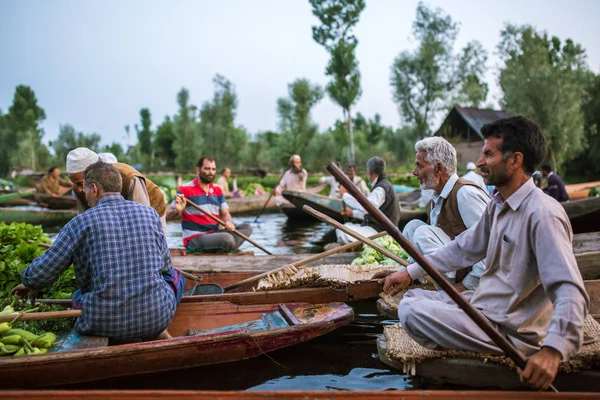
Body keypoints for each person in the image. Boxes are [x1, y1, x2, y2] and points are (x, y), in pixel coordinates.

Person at [379, 116, 588, 390]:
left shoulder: (542, 214)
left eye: (488, 154)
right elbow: (463, 248)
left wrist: (553, 350)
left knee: (409, 310)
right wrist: (409, 272)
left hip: (513, 331)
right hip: (486, 310)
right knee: (415, 297)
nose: (479, 163)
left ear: (515, 160)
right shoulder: (498, 206)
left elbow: (570, 290)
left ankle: (510, 344)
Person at [12, 162, 184, 341]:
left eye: (84, 189)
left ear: (94, 189)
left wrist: (28, 282)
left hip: (101, 322)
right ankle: (157, 331)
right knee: (177, 278)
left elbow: (43, 272)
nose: (84, 196)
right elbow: (166, 266)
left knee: (78, 295)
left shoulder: (79, 223)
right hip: (157, 317)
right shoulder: (150, 214)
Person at [401, 138, 490, 291]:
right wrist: (405, 272)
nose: (414, 172)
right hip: (455, 266)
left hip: (474, 281)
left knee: (422, 233)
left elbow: (489, 250)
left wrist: (464, 287)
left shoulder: (465, 194)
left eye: (420, 166)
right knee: (412, 227)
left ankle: (448, 290)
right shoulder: (438, 195)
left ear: (438, 169)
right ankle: (423, 280)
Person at [66, 147, 167, 233]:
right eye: (75, 184)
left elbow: (143, 218)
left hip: (152, 207)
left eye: (81, 184)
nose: (80, 190)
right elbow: (84, 222)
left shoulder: (129, 178)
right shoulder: (78, 188)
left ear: (95, 174)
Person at [174, 156, 252, 253]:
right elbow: (172, 211)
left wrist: (228, 222)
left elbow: (225, 214)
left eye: (213, 169)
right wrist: (178, 210)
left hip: (214, 233)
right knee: (227, 238)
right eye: (207, 169)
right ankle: (227, 247)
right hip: (195, 238)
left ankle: (225, 247)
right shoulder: (185, 189)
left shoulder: (217, 189)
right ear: (198, 170)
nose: (211, 172)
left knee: (246, 227)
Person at [336, 157, 400, 244]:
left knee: (342, 231)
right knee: (346, 226)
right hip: (376, 229)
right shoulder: (382, 185)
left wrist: (344, 195)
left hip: (381, 233)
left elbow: (366, 207)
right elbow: (371, 211)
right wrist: (353, 213)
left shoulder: (381, 188)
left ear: (369, 171)